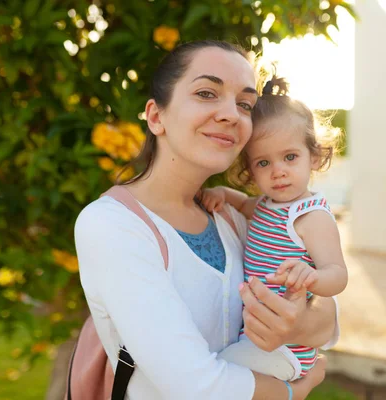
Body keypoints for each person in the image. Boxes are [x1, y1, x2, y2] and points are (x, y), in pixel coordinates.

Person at [74, 40, 340, 400]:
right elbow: (196, 386)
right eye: (206, 92)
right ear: (156, 117)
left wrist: (306, 324)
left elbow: (326, 314)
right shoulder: (111, 226)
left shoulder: (232, 216)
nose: (231, 113)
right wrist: (292, 392)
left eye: (244, 104)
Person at [200, 77, 348, 385]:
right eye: (263, 162)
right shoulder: (268, 203)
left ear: (315, 157)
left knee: (212, 378)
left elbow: (338, 274)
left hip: (287, 347)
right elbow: (244, 204)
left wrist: (311, 277)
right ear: (250, 169)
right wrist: (224, 195)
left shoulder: (310, 216)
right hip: (259, 335)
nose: (278, 171)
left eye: (290, 157)